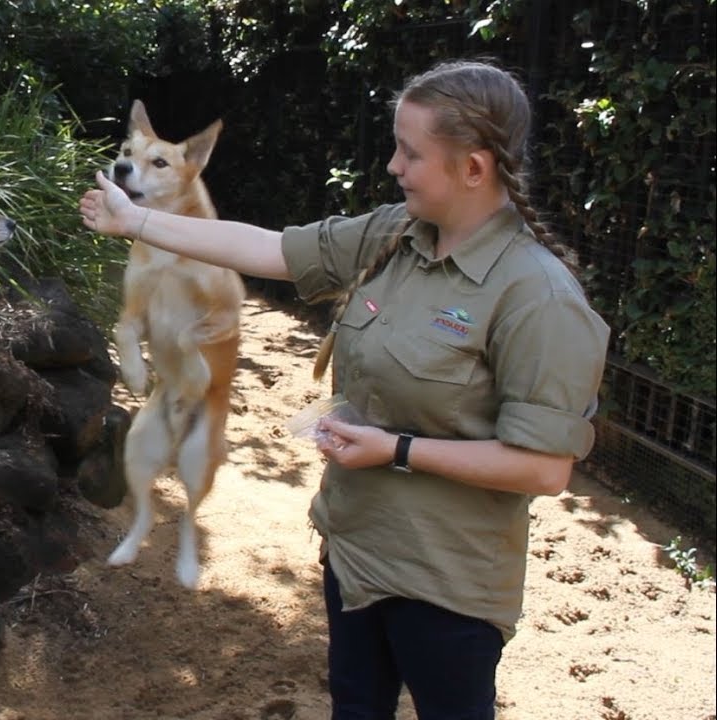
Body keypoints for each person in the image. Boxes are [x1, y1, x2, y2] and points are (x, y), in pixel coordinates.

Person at [79, 59, 610, 719]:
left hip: (445, 587)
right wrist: (138, 222)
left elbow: (545, 466)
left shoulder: (539, 295)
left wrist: (397, 450)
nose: (393, 164)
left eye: (411, 153)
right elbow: (273, 249)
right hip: (354, 551)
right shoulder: (398, 233)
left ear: (473, 168)